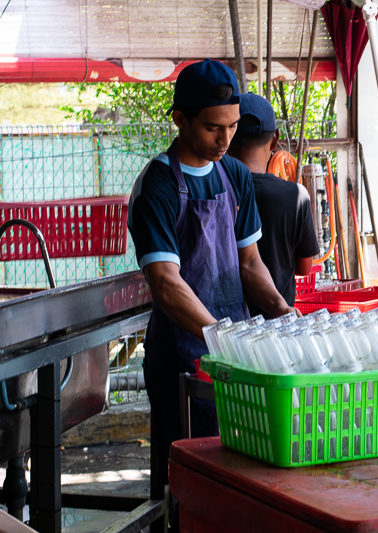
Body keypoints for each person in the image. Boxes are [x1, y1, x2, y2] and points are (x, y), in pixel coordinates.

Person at [127, 59, 294, 491]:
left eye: (233, 127)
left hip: (233, 354)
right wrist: (221, 336)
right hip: (182, 358)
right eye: (212, 128)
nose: (225, 139)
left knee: (239, 473)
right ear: (180, 119)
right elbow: (165, 281)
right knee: (188, 482)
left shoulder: (235, 175)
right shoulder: (157, 186)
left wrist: (282, 311)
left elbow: (250, 263)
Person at [227, 93, 320, 309]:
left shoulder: (218, 192)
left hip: (225, 323)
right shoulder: (295, 196)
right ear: (276, 139)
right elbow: (304, 267)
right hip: (277, 320)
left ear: (228, 137)